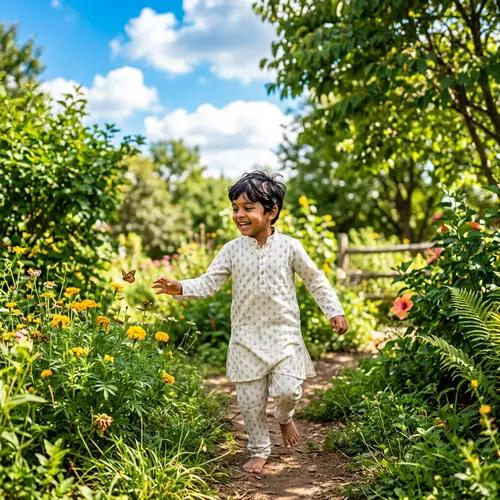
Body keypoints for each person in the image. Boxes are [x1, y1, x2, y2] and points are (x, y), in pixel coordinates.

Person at [152, 170, 349, 474]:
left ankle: (284, 418)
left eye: (247, 208)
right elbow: (209, 282)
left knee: (288, 391)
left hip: (284, 336)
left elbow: (315, 280)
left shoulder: (290, 247)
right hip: (245, 339)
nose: (239, 215)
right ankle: (259, 449)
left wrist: (334, 310)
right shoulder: (231, 250)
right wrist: (180, 287)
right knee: (250, 402)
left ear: (271, 212)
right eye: (235, 208)